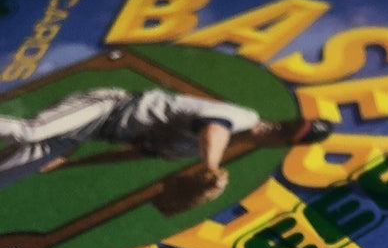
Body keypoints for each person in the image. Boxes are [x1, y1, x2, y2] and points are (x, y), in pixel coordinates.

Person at [0, 86, 332, 195]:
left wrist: (69, 164)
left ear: (282, 144)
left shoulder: (202, 148)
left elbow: (135, 153)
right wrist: (211, 166)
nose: (276, 129)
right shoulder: (242, 117)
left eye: (285, 134)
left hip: (92, 132)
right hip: (106, 106)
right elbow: (213, 128)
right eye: (284, 125)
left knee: (7, 175)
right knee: (31, 131)